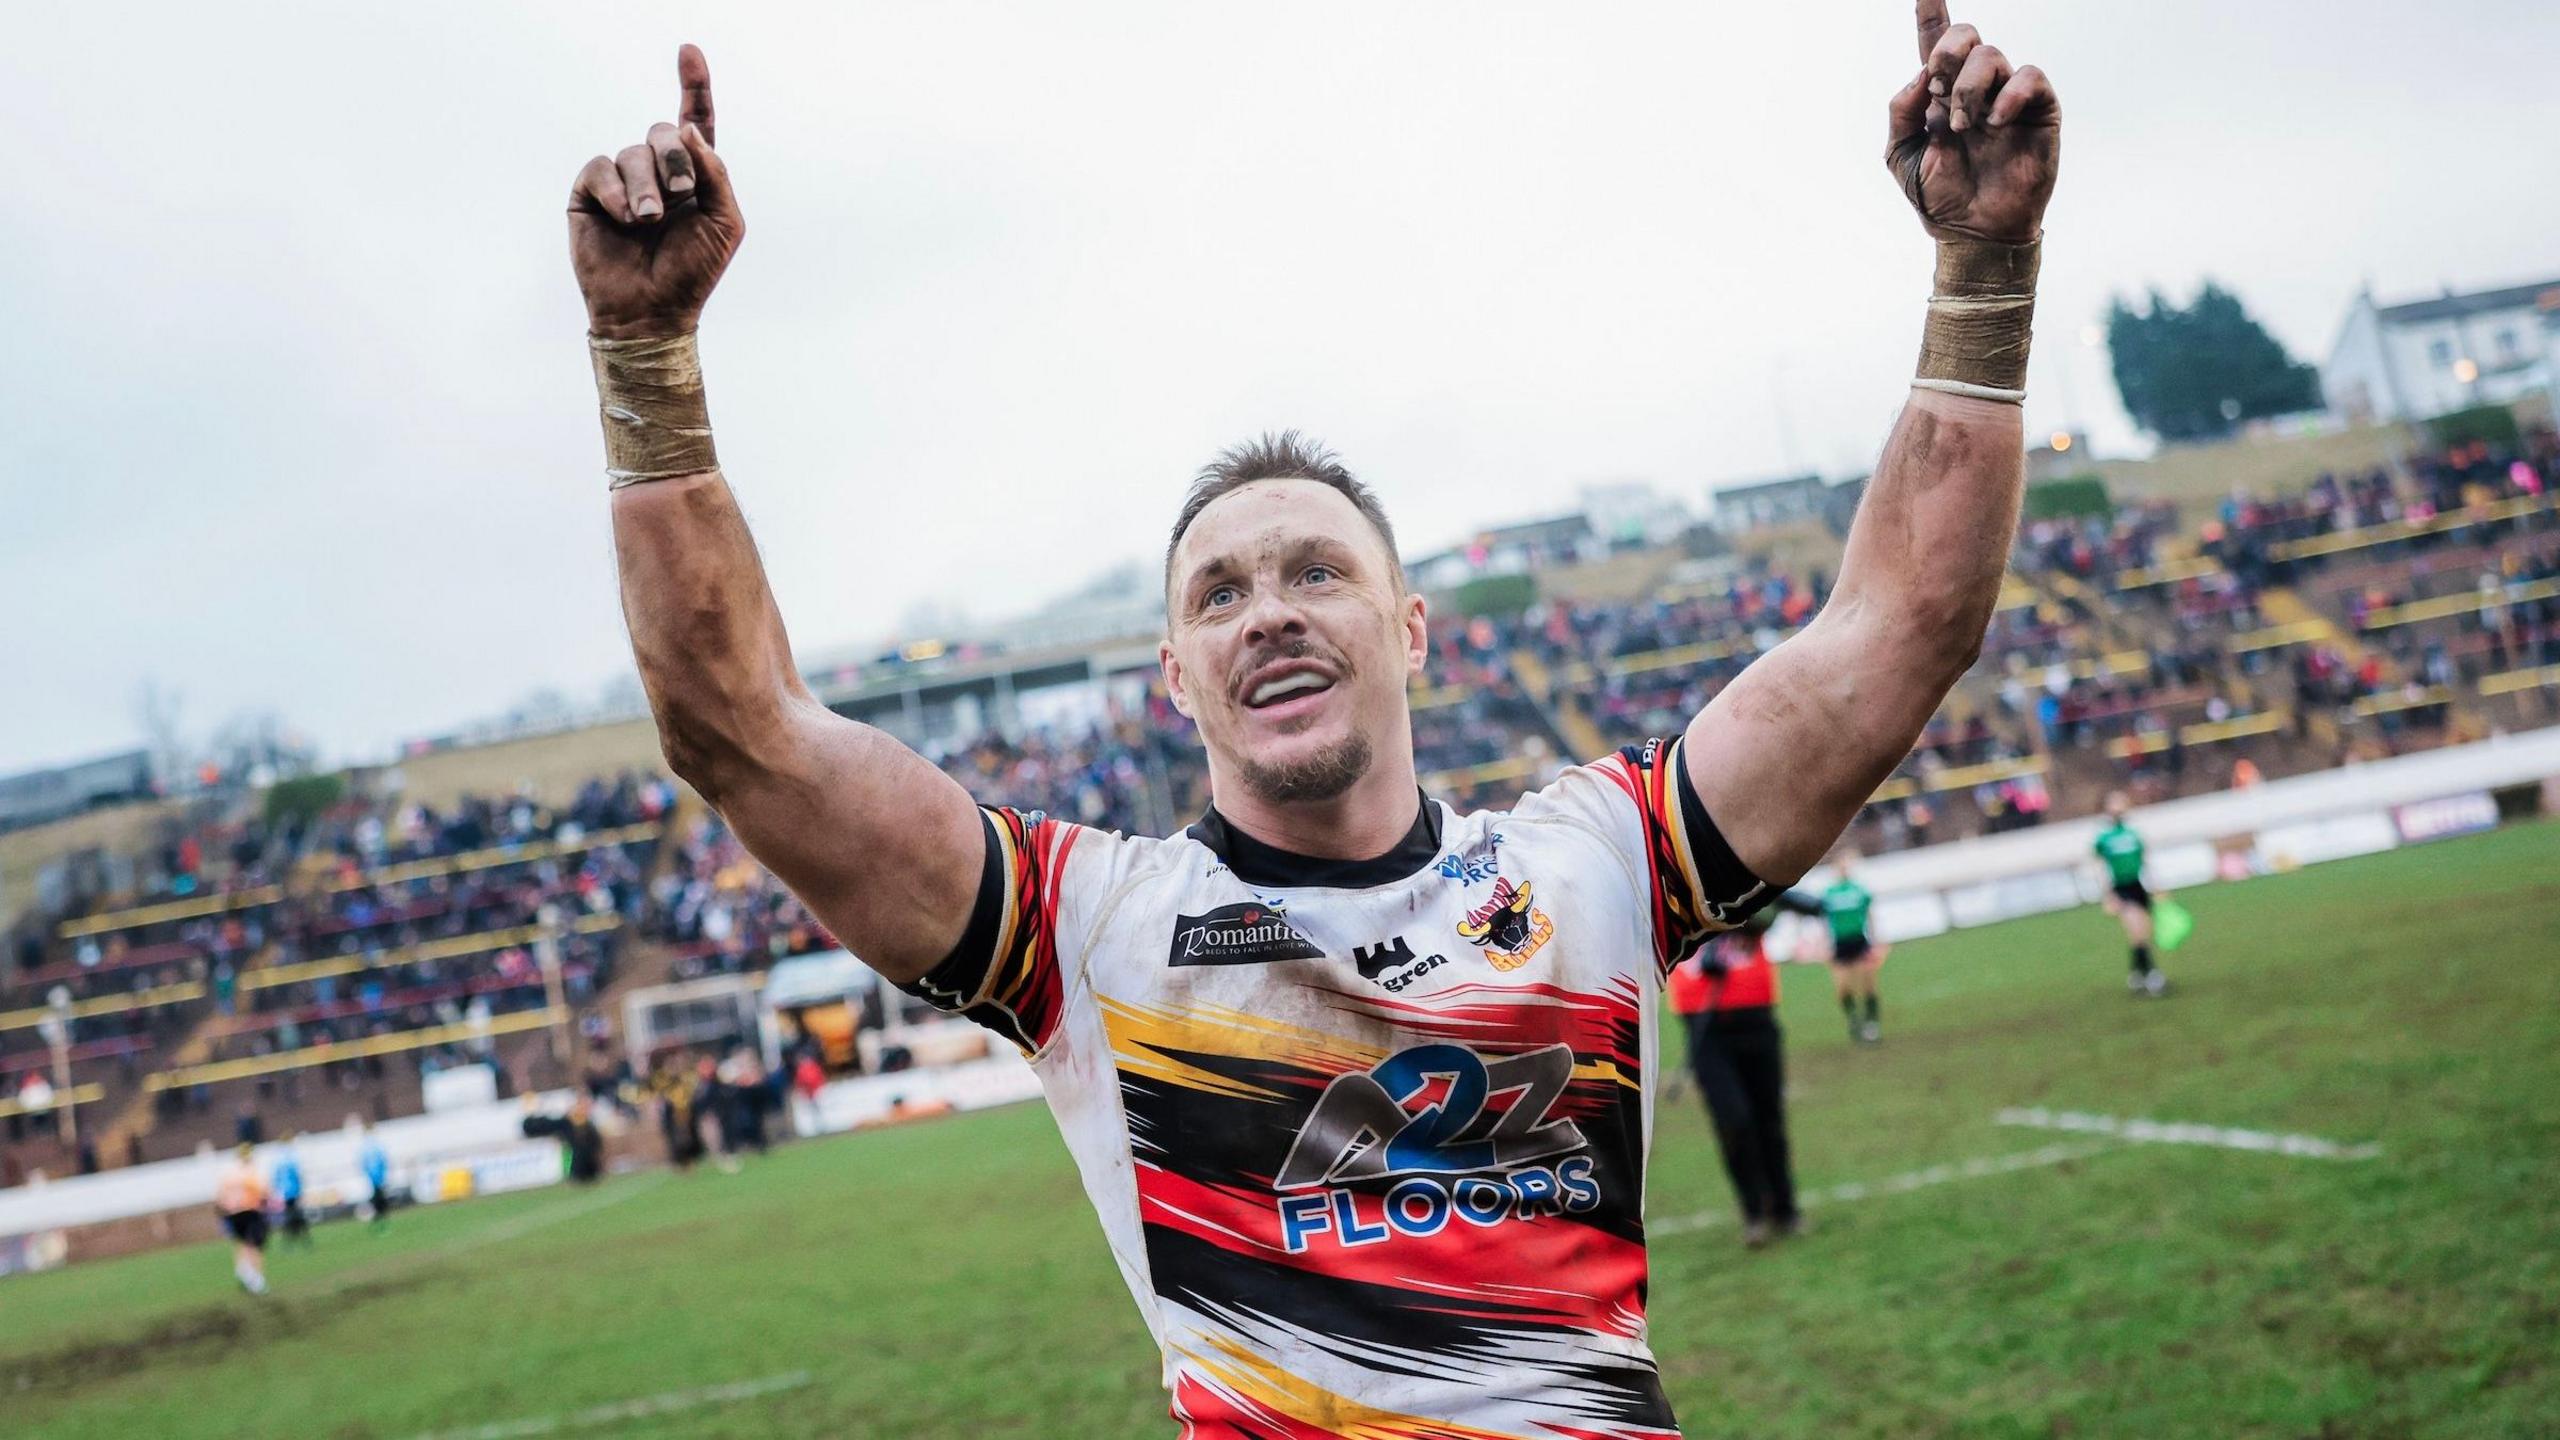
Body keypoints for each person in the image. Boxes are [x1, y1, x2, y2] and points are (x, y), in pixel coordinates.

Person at [567, 10, 2058, 1432]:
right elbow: (737, 729)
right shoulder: (1085, 930)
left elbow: (1899, 630)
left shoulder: (1594, 868)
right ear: (1176, 677)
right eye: (1216, 595)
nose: (1267, 609)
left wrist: (1984, 265)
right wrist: (646, 367)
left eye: (1317, 571)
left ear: (1410, 633)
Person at [1671, 902, 1814, 1247]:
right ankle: (1753, 1211)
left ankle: (1784, 1207)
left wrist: (1733, 921)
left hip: (1756, 1015)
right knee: (1732, 1120)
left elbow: (1770, 909)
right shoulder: (1668, 888)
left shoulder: (1737, 882)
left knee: (1769, 1119)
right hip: (1704, 1026)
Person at [2094, 791, 2166, 995]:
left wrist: (2156, 887)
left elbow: (2145, 862)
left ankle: (2136, 976)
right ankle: (2153, 976)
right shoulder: (2103, 838)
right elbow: (2099, 868)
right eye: (2113, 802)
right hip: (2121, 889)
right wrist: (2108, 895)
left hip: (2138, 887)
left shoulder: (2133, 834)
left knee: (2141, 936)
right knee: (2137, 933)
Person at [1822, 850, 1887, 1043]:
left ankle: (1872, 1023)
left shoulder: (1859, 890)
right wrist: (1825, 944)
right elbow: (1825, 921)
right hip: (1840, 944)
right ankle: (1853, 1020)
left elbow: (1870, 915)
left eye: (1846, 865)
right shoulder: (1828, 894)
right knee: (1843, 988)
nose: (1844, 869)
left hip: (1860, 941)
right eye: (1840, 866)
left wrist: (1875, 940)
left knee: (1868, 984)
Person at [213, 1144, 270, 1295]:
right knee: (256, 1245)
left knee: (243, 1243)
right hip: (250, 1211)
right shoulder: (252, 1172)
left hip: (233, 1214)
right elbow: (264, 1192)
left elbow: (220, 1197)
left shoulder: (229, 1173)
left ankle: (244, 1271)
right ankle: (257, 1278)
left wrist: (224, 1213)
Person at [271, 1137, 312, 1249]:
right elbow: (297, 1176)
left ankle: (289, 1242)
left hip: (285, 1193)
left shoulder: (277, 1160)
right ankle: (304, 1240)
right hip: (294, 1191)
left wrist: (277, 1191)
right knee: (297, 1216)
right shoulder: (292, 1158)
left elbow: (276, 1178)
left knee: (289, 1216)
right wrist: (300, 1190)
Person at [357, 1123, 393, 1229]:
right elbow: (382, 1161)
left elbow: (364, 1164)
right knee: (379, 1200)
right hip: (376, 1178)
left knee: (379, 1199)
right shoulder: (375, 1146)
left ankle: (379, 1219)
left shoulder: (366, 1146)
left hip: (374, 1178)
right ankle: (378, 1220)